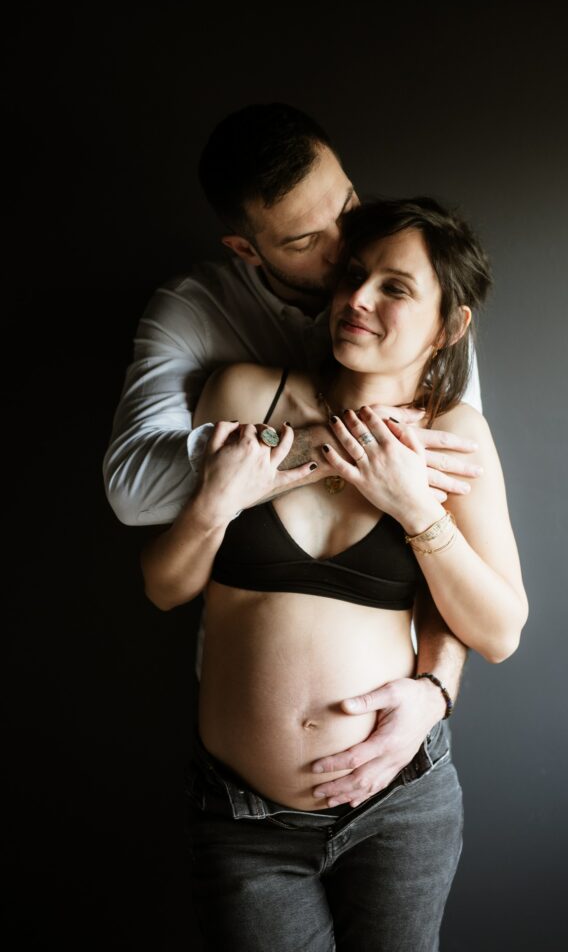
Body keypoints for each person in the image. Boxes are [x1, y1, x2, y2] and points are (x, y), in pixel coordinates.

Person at [140, 196, 528, 950]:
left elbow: (499, 631)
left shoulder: (454, 436)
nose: (356, 299)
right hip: (244, 824)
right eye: (353, 276)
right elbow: (164, 588)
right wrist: (214, 503)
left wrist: (413, 505)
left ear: (449, 326)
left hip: (401, 807)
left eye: (394, 287)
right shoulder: (245, 394)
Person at [102, 104, 485, 807]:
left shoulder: (417, 310)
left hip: (398, 773)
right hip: (238, 786)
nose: (345, 251)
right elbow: (133, 489)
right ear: (248, 250)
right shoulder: (198, 316)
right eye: (307, 240)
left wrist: (435, 691)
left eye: (346, 207)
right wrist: (320, 441)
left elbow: (447, 525)